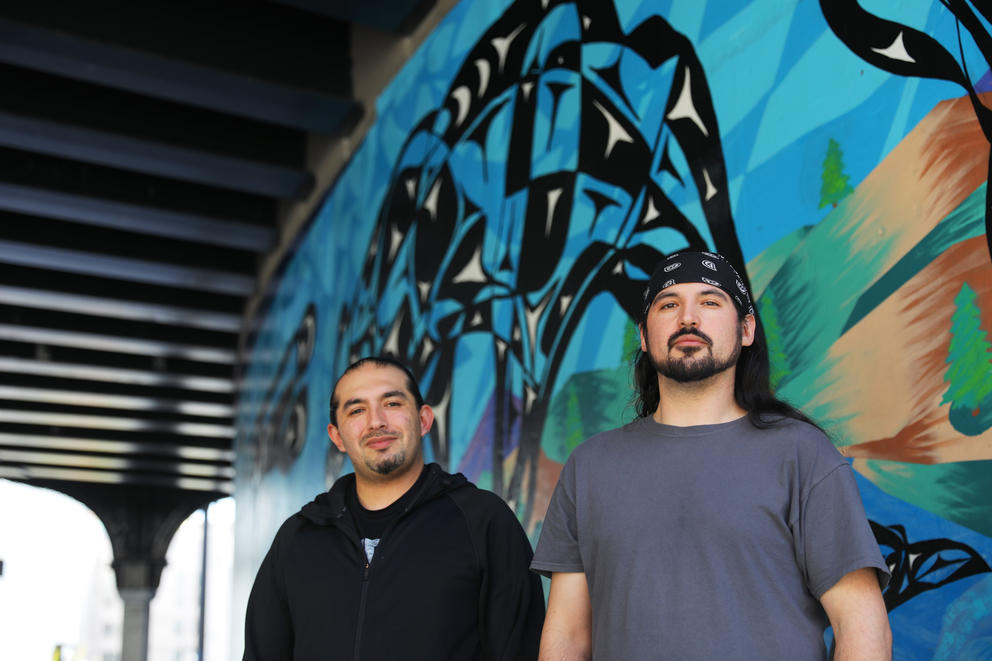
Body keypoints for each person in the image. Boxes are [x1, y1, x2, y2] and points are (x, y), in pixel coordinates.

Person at [531, 251, 891, 660]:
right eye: (669, 305)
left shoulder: (802, 454)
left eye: (710, 301)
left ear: (747, 329)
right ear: (644, 337)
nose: (688, 318)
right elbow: (567, 639)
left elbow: (862, 629)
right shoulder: (589, 466)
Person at [244, 356, 545, 661]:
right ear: (337, 437)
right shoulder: (299, 538)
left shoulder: (483, 522)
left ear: (424, 420)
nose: (376, 421)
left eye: (392, 403)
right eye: (357, 410)